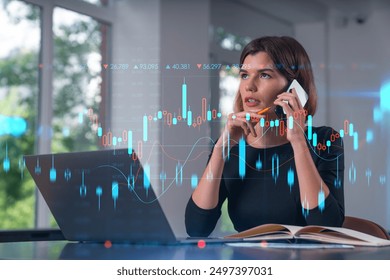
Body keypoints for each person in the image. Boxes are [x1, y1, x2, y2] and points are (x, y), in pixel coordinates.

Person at [185, 36, 345, 237]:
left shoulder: (325, 140)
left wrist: (297, 140)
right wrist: (220, 150)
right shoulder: (232, 147)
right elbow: (196, 228)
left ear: (293, 88)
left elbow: (326, 226)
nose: (249, 86)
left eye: (264, 75)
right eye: (244, 75)